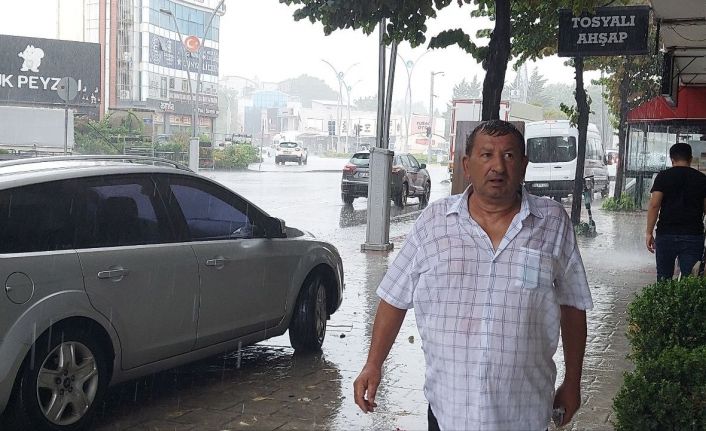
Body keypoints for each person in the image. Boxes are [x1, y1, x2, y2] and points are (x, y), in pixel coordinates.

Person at [353, 120, 593, 430]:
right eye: (486, 155)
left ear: (523, 166)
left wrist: (573, 382)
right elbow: (394, 297)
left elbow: (573, 306)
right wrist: (373, 364)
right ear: (467, 165)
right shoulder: (435, 222)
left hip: (523, 410)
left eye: (508, 156)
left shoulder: (552, 223)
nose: (498, 166)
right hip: (450, 408)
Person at [646, 142, 706, 280]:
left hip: (666, 234)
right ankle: (686, 302)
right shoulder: (701, 179)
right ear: (690, 159)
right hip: (693, 235)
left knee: (663, 278)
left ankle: (663, 301)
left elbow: (654, 205)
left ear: (672, 159)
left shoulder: (663, 176)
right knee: (690, 279)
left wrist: (649, 232)